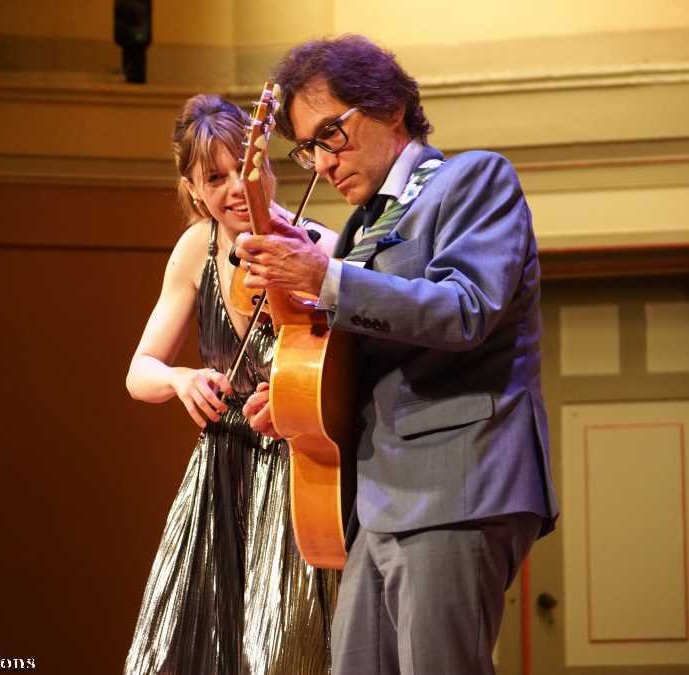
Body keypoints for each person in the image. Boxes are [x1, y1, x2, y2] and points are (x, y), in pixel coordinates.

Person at [236, 35, 559, 675]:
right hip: (378, 495)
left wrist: (325, 277)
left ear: (389, 107)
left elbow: (466, 308)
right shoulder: (359, 229)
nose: (322, 164)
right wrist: (298, 396)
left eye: (330, 135)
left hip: (459, 481)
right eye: (307, 149)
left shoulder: (474, 179)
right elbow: (363, 352)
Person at [123, 94, 339, 675]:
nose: (237, 189)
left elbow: (350, 377)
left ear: (267, 164)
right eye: (215, 179)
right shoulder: (197, 248)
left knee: (280, 653)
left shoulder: (317, 249)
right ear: (194, 190)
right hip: (219, 471)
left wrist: (295, 395)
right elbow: (139, 371)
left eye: (245, 168)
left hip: (295, 477)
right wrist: (180, 378)